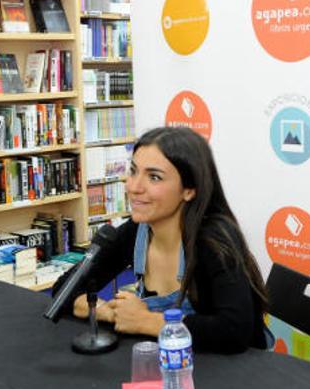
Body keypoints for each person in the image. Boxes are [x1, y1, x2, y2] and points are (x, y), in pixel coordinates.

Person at [54, 126, 270, 353]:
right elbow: (64, 290)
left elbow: (234, 332)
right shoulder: (137, 231)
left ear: (189, 190)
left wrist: (146, 321)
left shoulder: (214, 239)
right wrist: (108, 312)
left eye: (154, 177)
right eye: (134, 171)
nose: (134, 187)